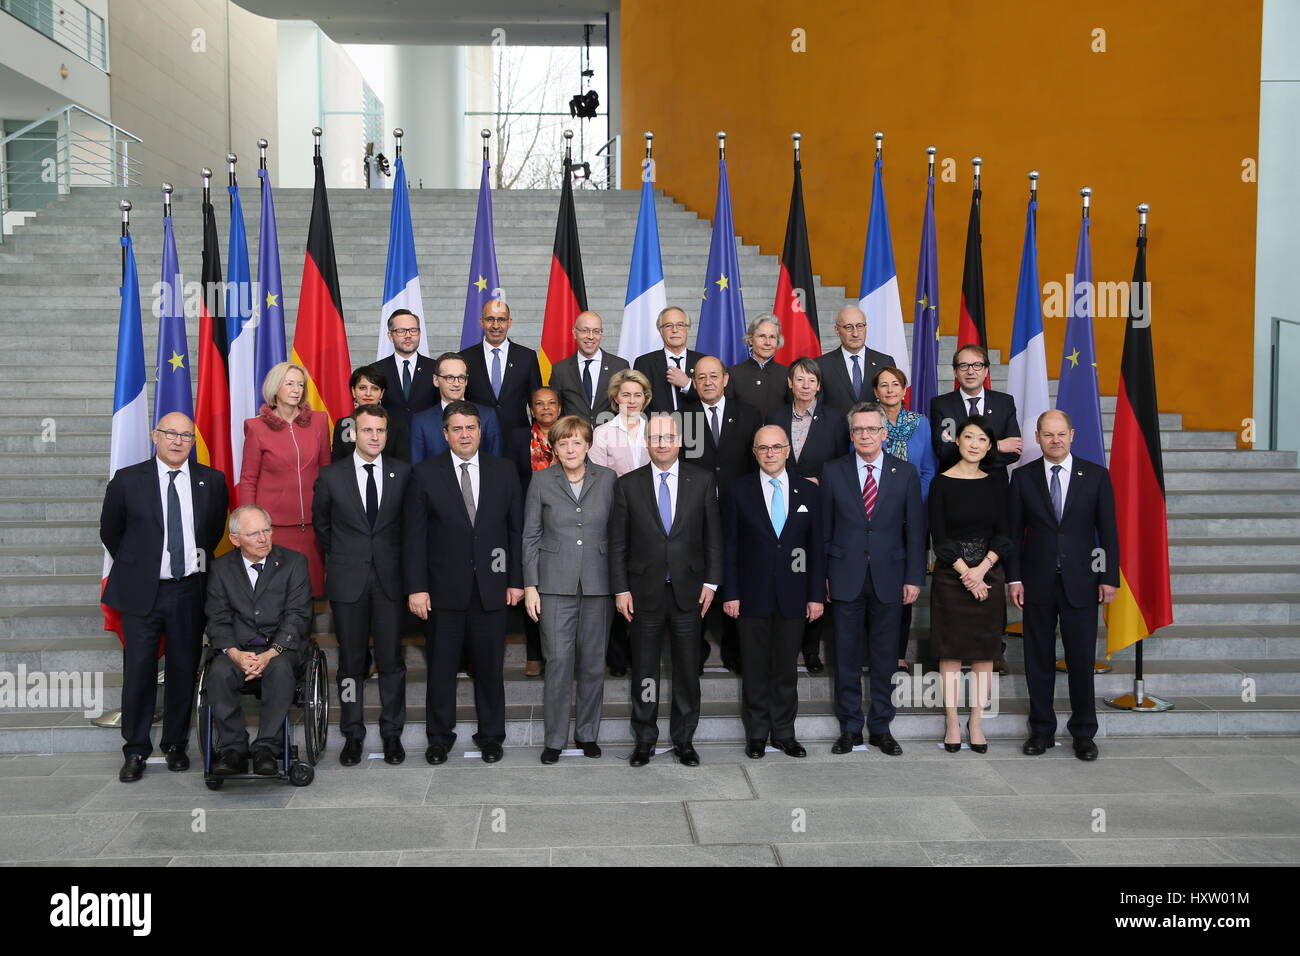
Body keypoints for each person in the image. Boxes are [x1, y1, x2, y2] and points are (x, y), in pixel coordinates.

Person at [100, 412, 229, 783]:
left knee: (183, 670)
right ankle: (136, 749)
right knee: (139, 671)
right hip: (143, 592)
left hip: (190, 590)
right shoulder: (128, 481)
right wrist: (143, 565)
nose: (177, 441)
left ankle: (174, 744)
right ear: (154, 436)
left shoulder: (211, 481)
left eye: (186, 436)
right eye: (170, 433)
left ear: (193, 441)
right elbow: (111, 531)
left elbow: (213, 531)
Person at [404, 401, 524, 765]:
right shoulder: (424, 473)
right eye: (457, 429)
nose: (465, 434)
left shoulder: (504, 471)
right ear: (445, 434)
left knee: (490, 669)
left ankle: (491, 736)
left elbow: (515, 531)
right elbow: (414, 537)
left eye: (470, 427)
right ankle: (439, 738)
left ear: (480, 429)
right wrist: (416, 587)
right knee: (441, 669)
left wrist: (515, 580)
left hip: (492, 590)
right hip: (442, 592)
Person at [609, 413, 723, 767]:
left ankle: (684, 740)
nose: (661, 443)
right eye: (655, 438)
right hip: (643, 595)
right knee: (644, 671)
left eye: (668, 437)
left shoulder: (702, 480)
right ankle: (644, 739)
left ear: (679, 441)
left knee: (688, 671)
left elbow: (713, 538)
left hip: (689, 593)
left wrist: (711, 582)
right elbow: (618, 544)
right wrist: (620, 589)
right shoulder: (627, 484)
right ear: (647, 442)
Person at [1008, 409, 1120, 762]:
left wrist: (1109, 577)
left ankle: (1084, 733)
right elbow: (1012, 533)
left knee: (1081, 659)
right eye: (1047, 434)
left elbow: (1109, 532)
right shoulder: (1023, 478)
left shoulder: (1097, 476)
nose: (1055, 440)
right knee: (1037, 660)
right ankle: (1041, 730)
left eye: (1061, 434)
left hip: (1082, 583)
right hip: (1036, 581)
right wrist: (1014, 577)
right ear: (1038, 437)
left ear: (1072, 435)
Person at [821, 402, 925, 756]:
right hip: (844, 575)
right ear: (851, 436)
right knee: (846, 657)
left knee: (885, 657)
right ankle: (849, 728)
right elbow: (824, 531)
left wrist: (914, 577)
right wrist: (823, 576)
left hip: (891, 577)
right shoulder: (833, 472)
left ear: (884, 433)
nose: (865, 435)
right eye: (859, 430)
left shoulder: (906, 472)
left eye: (872, 429)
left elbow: (915, 531)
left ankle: (881, 727)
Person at [313, 404, 411, 766]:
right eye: (367, 430)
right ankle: (352, 734)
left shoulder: (403, 473)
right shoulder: (331, 476)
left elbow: (409, 528)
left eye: (380, 431)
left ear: (387, 433)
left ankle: (392, 735)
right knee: (352, 664)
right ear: (353, 432)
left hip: (390, 582)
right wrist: (346, 559)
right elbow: (322, 527)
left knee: (391, 662)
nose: (374, 437)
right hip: (348, 582)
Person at [721, 425, 824, 759]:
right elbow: (730, 547)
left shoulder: (809, 492)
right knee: (753, 668)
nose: (769, 453)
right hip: (751, 596)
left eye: (776, 447)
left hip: (794, 596)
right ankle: (756, 734)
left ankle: (784, 733)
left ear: (787, 450)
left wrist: (815, 596)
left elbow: (816, 548)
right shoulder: (738, 490)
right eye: (762, 448)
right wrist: (731, 593)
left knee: (785, 669)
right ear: (754, 453)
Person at [522, 416, 616, 764]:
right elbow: (530, 535)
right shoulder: (541, 480)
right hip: (553, 584)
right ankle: (555, 739)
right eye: (563, 443)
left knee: (593, 663)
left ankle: (588, 734)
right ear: (554, 448)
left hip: (598, 583)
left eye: (577, 442)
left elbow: (618, 533)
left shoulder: (607, 479)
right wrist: (530, 585)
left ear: (588, 445)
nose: (570, 449)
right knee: (558, 662)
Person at [203, 505, 314, 776]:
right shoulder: (220, 568)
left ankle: (267, 746)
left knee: (280, 669)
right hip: (237, 650)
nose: (263, 538)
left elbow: (298, 615)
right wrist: (235, 653)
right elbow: (217, 617)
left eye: (267, 530)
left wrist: (271, 652)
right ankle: (233, 748)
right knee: (218, 672)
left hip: (280, 649)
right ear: (235, 539)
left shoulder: (294, 562)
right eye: (254, 534)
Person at [928, 417, 1010, 754]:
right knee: (950, 652)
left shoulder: (996, 483)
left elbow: (1004, 533)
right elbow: (939, 537)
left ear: (989, 447)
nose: (974, 444)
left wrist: (982, 569)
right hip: (950, 576)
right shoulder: (941, 483)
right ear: (957, 441)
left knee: (984, 653)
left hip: (988, 575)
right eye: (968, 437)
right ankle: (951, 721)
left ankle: (976, 720)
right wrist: (966, 572)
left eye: (981, 439)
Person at [764, 356, 847, 673]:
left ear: (818, 384)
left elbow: (843, 465)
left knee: (813, 569)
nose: (805, 385)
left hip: (819, 506)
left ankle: (811, 649)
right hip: (780, 504)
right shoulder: (774, 416)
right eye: (799, 379)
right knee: (782, 568)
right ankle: (781, 642)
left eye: (811, 380)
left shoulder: (836, 419)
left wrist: (822, 482)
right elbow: (766, 456)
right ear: (789, 383)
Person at [682, 355, 762, 672]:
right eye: (701, 377)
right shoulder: (683, 416)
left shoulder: (750, 414)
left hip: (737, 511)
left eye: (714, 376)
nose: (708, 382)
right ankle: (696, 652)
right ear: (695, 381)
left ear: (725, 379)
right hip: (694, 514)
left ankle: (734, 652)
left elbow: (756, 464)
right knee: (694, 582)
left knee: (735, 582)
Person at [239, 361, 332, 595]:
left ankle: (302, 634)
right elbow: (249, 477)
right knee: (275, 592)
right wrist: (248, 521)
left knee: (310, 591)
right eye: (289, 383)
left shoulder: (319, 421)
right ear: (274, 388)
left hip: (312, 526)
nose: (296, 389)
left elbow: (326, 472)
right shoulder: (256, 427)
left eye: (300, 384)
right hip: (273, 528)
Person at [589, 367, 652, 678]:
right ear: (615, 398)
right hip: (615, 516)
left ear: (646, 398)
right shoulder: (602, 433)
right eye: (625, 394)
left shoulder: (655, 428)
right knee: (617, 583)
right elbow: (599, 482)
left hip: (653, 521)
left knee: (643, 585)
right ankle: (617, 657)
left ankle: (641, 652)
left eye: (637, 394)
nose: (631, 399)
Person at [873, 365, 938, 669]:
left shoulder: (921, 424)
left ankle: (898, 654)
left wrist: (911, 503)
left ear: (904, 389)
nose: (889, 390)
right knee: (872, 585)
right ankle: (871, 652)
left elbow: (927, 469)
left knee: (905, 587)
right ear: (876, 392)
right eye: (883, 385)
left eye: (895, 384)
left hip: (912, 518)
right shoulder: (866, 423)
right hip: (873, 517)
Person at [507, 387, 563, 677]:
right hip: (530, 517)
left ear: (560, 407)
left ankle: (562, 656)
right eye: (539, 404)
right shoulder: (518, 437)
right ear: (531, 408)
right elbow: (510, 475)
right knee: (534, 583)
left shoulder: (569, 436)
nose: (545, 408)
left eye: (551, 403)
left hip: (564, 520)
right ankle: (534, 655)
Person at [929, 344, 1022, 476]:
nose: (970, 371)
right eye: (963, 366)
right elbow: (945, 452)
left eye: (977, 365)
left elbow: (1014, 451)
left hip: (994, 485)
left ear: (986, 371)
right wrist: (998, 446)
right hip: (955, 483)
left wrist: (966, 453)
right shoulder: (941, 405)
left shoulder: (1004, 403)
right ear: (955, 372)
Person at [460, 298, 543, 435]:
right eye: (490, 319)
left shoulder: (527, 357)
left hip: (518, 437)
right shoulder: (465, 358)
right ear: (481, 322)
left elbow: (536, 401)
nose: (496, 326)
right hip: (478, 437)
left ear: (509, 322)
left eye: (501, 320)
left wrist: (537, 438)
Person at [410, 352, 503, 462]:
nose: (456, 383)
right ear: (436, 380)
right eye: (449, 377)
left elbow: (496, 464)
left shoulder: (487, 416)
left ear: (466, 380)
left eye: (461, 377)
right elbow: (417, 468)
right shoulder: (421, 421)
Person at [548, 310, 629, 424]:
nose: (591, 336)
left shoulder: (620, 366)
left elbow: (627, 406)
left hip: (610, 437)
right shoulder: (560, 369)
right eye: (585, 330)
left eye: (596, 331)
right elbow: (555, 408)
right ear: (574, 332)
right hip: (573, 437)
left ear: (601, 333)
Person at [815, 306, 895, 416]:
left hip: (875, 431)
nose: (855, 333)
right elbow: (817, 407)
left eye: (860, 326)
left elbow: (892, 402)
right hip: (836, 432)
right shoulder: (821, 365)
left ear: (866, 327)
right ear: (837, 330)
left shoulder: (885, 362)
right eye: (848, 327)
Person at [374, 308, 436, 433]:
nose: (408, 335)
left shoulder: (436, 369)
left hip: (427, 439)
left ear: (419, 333)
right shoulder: (376, 370)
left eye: (413, 330)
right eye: (401, 331)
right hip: (389, 441)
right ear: (390, 336)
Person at [333, 365, 409, 463]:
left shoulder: (397, 424)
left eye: (375, 388)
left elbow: (402, 465)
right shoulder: (345, 424)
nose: (368, 393)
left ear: (381, 393)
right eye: (362, 388)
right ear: (353, 391)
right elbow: (338, 464)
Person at [633, 305, 702, 413]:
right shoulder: (644, 363)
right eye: (668, 325)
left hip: (698, 427)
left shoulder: (703, 361)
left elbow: (715, 398)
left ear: (687, 329)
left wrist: (687, 384)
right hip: (658, 426)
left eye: (680, 325)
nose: (675, 330)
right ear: (660, 330)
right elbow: (639, 401)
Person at [726, 314, 789, 416]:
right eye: (762, 336)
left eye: (772, 337)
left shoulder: (788, 373)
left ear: (777, 341)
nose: (767, 342)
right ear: (750, 339)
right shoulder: (733, 373)